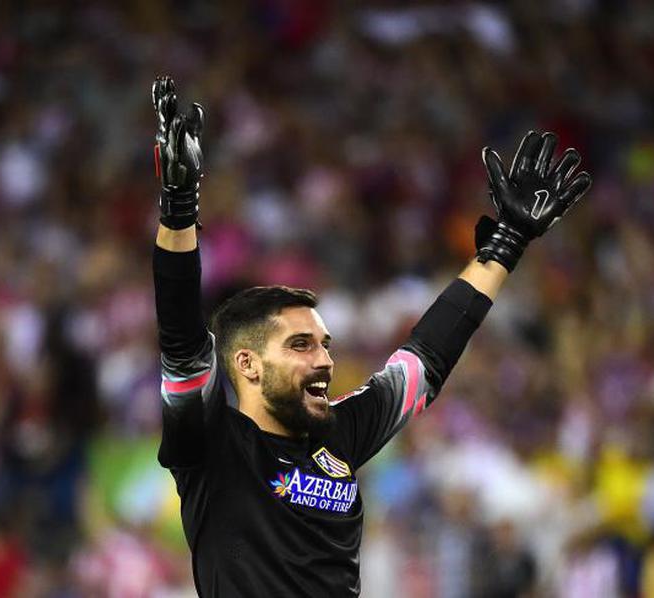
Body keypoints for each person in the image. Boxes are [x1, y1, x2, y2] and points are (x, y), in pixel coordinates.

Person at [151, 74, 591, 596]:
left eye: (323, 344)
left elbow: (425, 357)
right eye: (300, 345)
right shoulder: (211, 445)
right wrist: (179, 211)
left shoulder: (338, 434)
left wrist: (506, 244)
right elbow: (181, 341)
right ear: (247, 364)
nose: (323, 360)